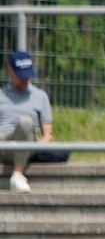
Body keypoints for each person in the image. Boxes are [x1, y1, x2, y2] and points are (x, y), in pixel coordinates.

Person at [1, 51, 54, 193]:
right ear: (10, 71)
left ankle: (17, 175)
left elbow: (48, 134)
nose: (25, 79)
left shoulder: (40, 96)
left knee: (25, 122)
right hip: (4, 141)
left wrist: (38, 146)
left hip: (28, 141)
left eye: (27, 75)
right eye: (21, 75)